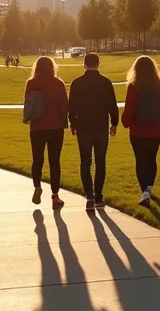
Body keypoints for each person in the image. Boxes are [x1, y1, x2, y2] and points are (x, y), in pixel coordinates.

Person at [68, 53, 119, 212]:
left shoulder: (76, 83)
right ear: (98, 64)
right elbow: (112, 105)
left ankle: (89, 196)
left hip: (83, 127)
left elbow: (71, 107)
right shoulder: (105, 83)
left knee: (85, 162)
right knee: (100, 162)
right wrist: (114, 123)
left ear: (84, 64)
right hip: (100, 127)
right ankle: (98, 196)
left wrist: (74, 124)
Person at [121, 55, 160, 207]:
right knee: (151, 159)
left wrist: (125, 122)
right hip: (155, 129)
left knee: (140, 160)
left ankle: (144, 192)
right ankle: (149, 188)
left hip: (138, 131)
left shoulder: (133, 86)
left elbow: (130, 107)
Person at [24, 56, 69, 209]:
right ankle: (55, 196)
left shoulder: (31, 83)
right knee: (54, 161)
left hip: (37, 127)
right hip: (55, 127)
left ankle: (37, 186)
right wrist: (66, 121)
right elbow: (64, 105)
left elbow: (28, 104)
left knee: (37, 160)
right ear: (52, 67)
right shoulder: (58, 83)